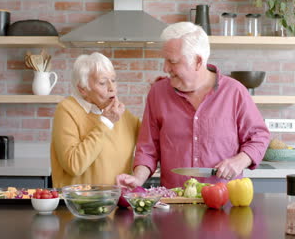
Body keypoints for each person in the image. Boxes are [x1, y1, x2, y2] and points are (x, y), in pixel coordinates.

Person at [117, 22, 270, 189]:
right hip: (174, 201)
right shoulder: (158, 93)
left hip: (225, 200)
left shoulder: (235, 92)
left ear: (198, 61)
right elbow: (148, 148)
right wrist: (137, 179)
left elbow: (259, 137)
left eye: (172, 61)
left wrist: (240, 161)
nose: (165, 67)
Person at [51, 52, 140, 188]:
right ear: (83, 89)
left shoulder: (122, 114)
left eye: (113, 80)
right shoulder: (67, 109)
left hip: (116, 204)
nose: (112, 88)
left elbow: (153, 139)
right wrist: (106, 122)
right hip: (78, 206)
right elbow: (74, 165)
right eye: (103, 83)